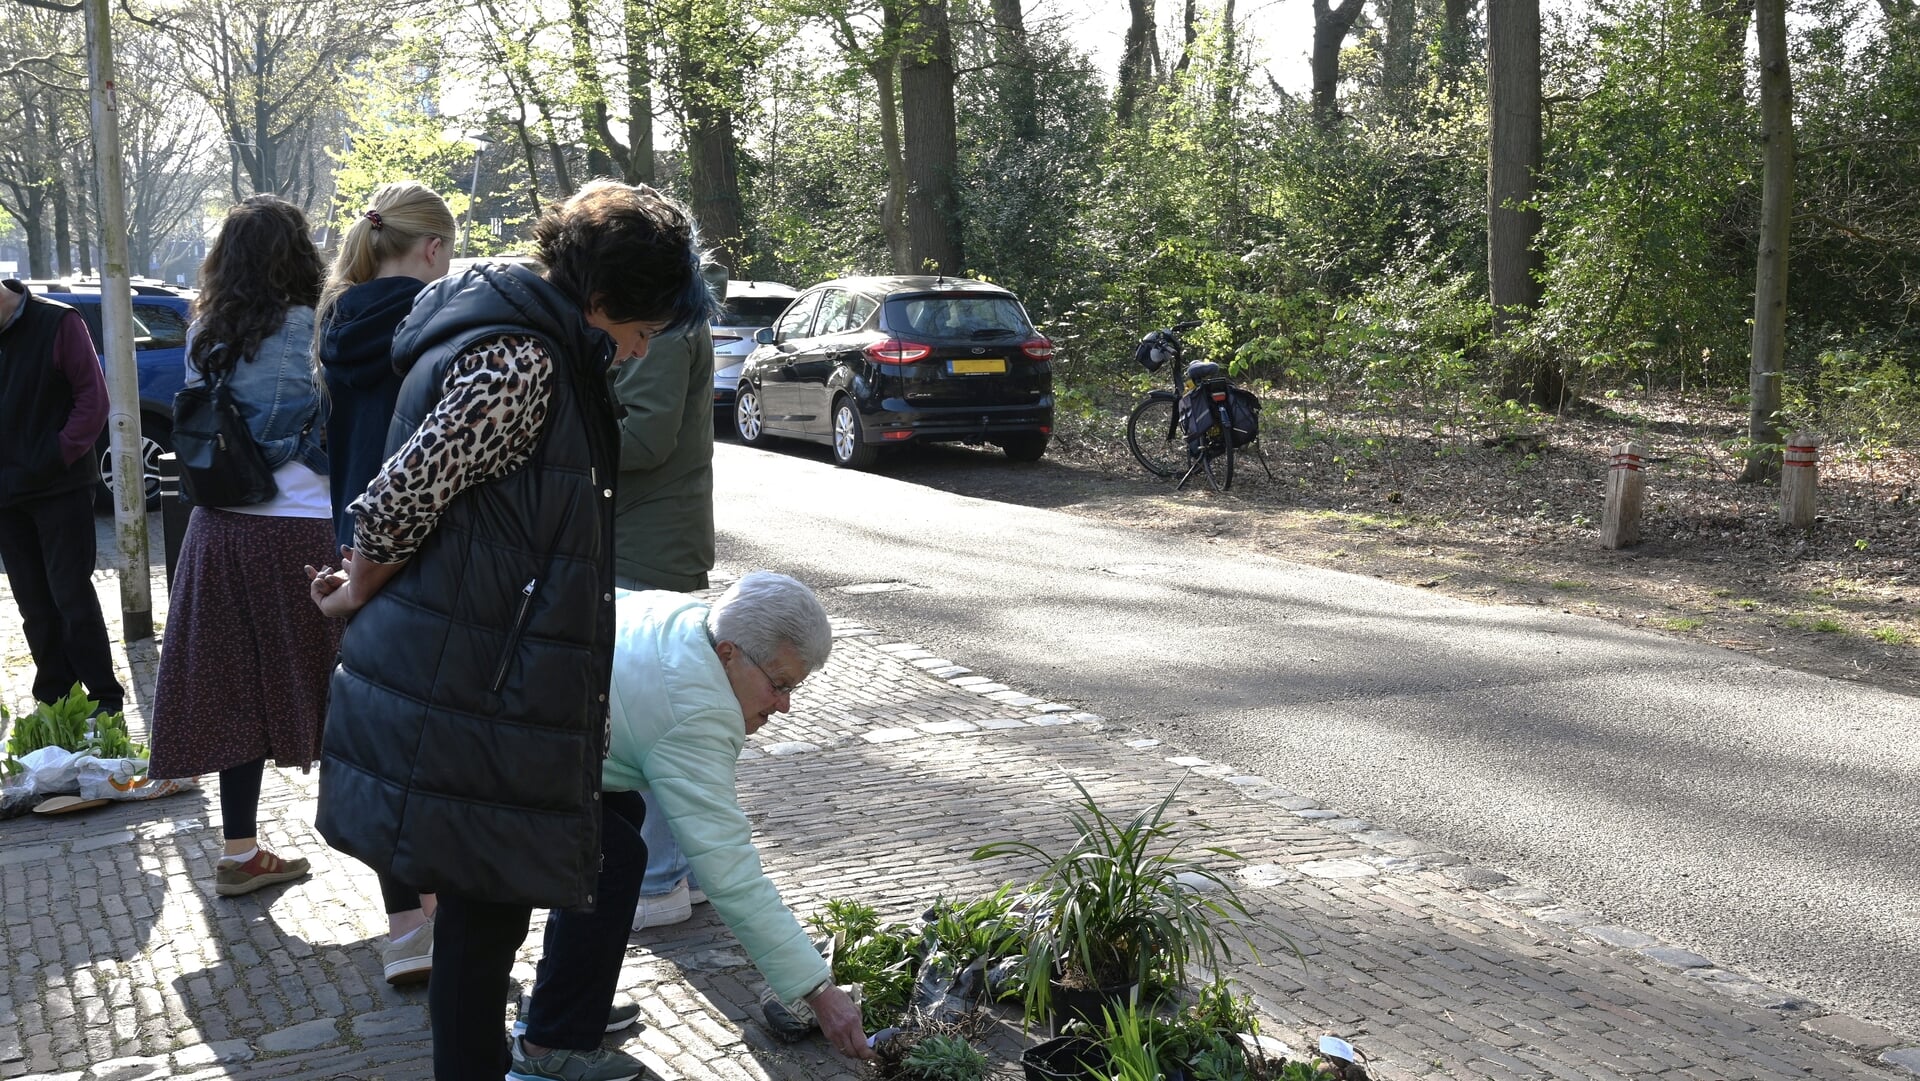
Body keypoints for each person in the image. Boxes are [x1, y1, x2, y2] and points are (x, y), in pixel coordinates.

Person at [307, 180, 713, 1080]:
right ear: (605, 300)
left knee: (481, 934)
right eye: (646, 327)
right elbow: (408, 490)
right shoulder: (524, 359)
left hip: (479, 670)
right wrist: (353, 590)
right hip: (478, 681)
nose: (646, 346)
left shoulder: (528, 336)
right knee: (481, 938)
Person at [512, 573, 873, 1081]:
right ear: (729, 652)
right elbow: (729, 871)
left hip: (538, 731)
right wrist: (819, 991)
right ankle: (548, 1047)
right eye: (780, 685)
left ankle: (563, 1011)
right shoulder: (698, 711)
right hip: (506, 755)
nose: (786, 704)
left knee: (618, 830)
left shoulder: (688, 621)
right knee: (611, 858)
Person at [146, 195, 338, 897]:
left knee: (232, 687)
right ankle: (397, 868)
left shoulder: (204, 330)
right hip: (301, 527)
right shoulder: (311, 326)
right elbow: (322, 424)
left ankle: (239, 849)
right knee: (340, 683)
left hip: (219, 530)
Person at [311, 180, 457, 987]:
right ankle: (447, 913)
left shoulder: (337, 321)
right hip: (423, 551)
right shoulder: (433, 321)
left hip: (354, 543)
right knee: (443, 738)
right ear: (430, 248)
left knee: (382, 737)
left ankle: (407, 924)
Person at [608, 263, 729, 932]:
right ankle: (685, 870)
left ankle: (657, 882)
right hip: (650, 536)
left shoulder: (667, 316)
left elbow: (646, 436)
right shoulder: (671, 309)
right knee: (667, 704)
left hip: (646, 543)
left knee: (648, 711)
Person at [0, 277, 125, 718]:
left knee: (70, 595)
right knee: (33, 602)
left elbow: (93, 400)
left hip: (61, 486)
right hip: (6, 494)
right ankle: (55, 696)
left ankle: (104, 698)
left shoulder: (58, 322)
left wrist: (57, 454)